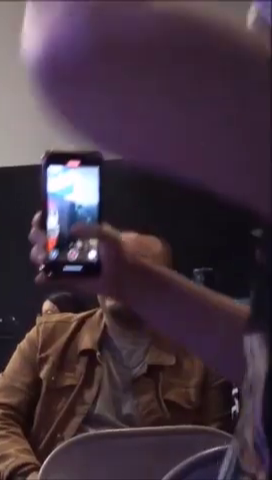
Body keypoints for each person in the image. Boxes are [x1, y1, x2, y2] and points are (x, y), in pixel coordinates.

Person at [20, 2, 270, 479]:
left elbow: (69, 42)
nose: (252, 32)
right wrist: (130, 279)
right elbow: (261, 359)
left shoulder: (188, 362)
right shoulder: (52, 338)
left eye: (265, 26)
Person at [0, 232, 233, 480]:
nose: (119, 277)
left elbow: (215, 453)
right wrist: (28, 474)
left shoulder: (202, 356)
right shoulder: (49, 337)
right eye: (112, 265)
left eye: (137, 268)